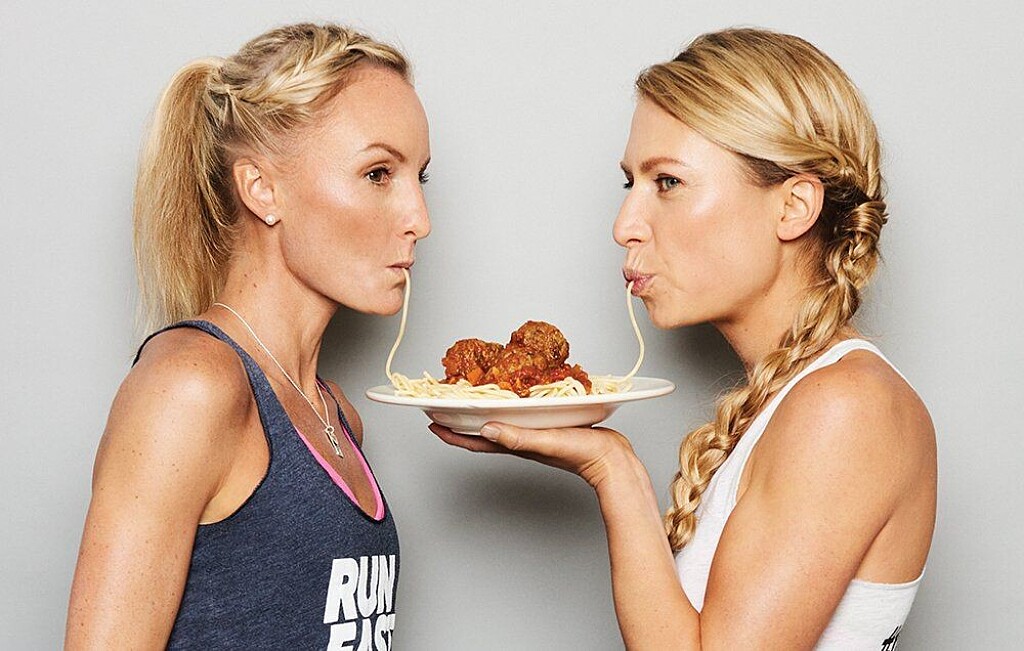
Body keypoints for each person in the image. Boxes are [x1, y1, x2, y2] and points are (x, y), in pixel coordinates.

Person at [432, 28, 936, 649]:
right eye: (631, 184)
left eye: (667, 182)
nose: (624, 225)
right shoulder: (803, 399)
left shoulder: (846, 408)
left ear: (793, 207)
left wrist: (614, 470)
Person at [65, 23, 430, 649]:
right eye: (377, 174)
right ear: (262, 189)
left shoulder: (336, 416)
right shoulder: (189, 386)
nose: (419, 218)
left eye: (420, 177)